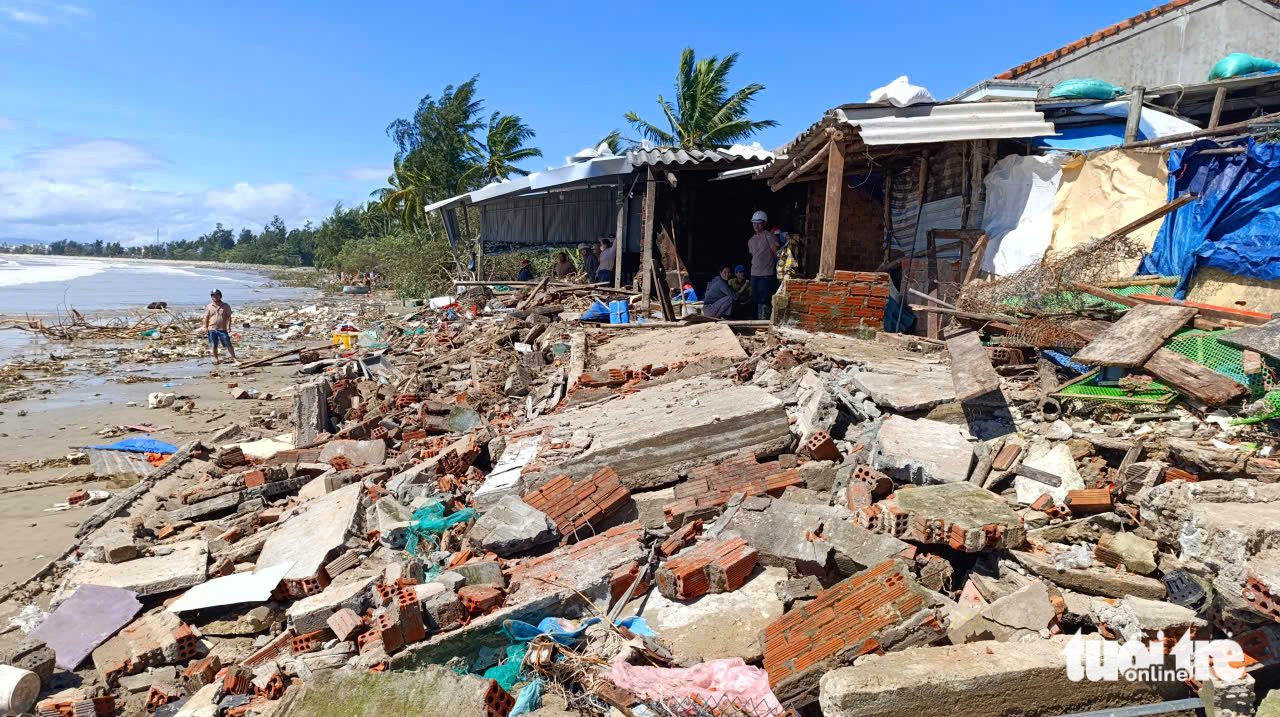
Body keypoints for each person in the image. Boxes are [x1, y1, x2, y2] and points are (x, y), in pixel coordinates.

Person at [747, 210, 780, 320]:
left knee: (764, 299)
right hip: (754, 273)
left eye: (759, 223)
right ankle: (757, 322)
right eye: (754, 223)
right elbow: (754, 256)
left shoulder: (769, 236)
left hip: (766, 274)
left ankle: (763, 323)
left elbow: (776, 254)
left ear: (764, 223)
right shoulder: (751, 240)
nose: (756, 225)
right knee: (756, 299)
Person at [203, 289, 237, 365]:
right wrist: (205, 327)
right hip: (211, 329)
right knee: (214, 345)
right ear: (211, 297)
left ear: (220, 296)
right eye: (213, 295)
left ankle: (234, 358)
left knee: (228, 343)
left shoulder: (226, 306)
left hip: (222, 329)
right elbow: (206, 318)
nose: (215, 297)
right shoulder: (209, 306)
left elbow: (229, 317)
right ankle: (216, 359)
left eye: (217, 295)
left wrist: (229, 326)